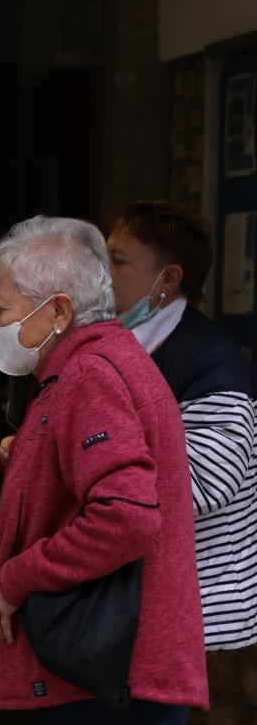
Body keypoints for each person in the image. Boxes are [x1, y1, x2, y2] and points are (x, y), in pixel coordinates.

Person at [0, 216, 207, 725]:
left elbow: (127, 516)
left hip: (116, 676)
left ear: (56, 312)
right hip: (111, 670)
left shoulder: (90, 374)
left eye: (1, 310)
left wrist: (19, 577)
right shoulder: (90, 366)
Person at [107, 200, 257, 650]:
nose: (99, 273)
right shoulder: (118, 343)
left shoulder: (211, 364)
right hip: (136, 600)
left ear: (168, 280)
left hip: (195, 610)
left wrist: (76, 463)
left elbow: (199, 485)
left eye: (116, 261)